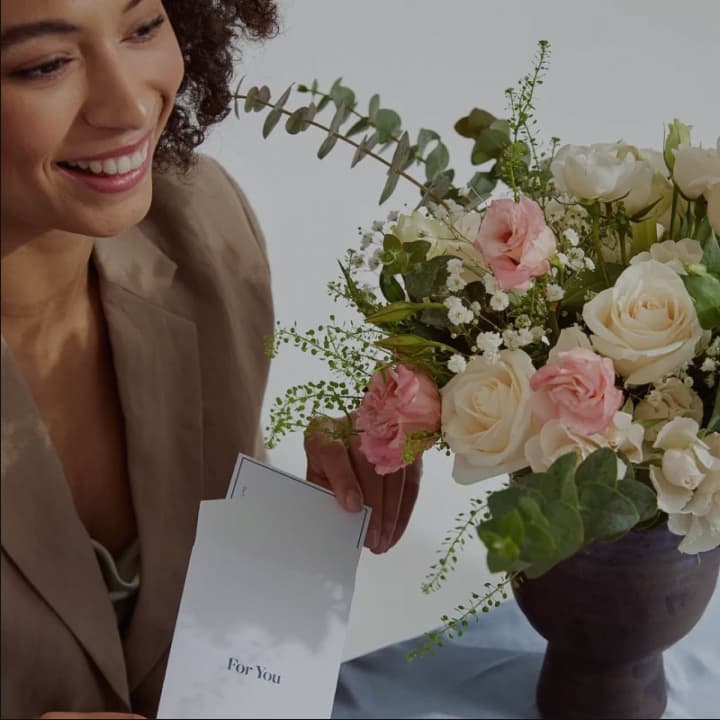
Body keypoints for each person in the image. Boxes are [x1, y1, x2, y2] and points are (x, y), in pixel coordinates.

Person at [0, 1, 422, 717]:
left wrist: (295, 512)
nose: (130, 103)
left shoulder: (200, 224)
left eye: (141, 28)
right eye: (46, 64)